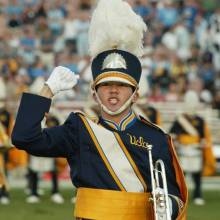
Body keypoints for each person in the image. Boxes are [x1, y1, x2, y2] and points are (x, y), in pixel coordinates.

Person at [12, 0, 188, 219]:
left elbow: (175, 197)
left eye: (122, 85)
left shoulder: (156, 137)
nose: (113, 91)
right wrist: (48, 90)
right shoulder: (79, 129)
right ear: (94, 94)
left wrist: (168, 206)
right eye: (105, 85)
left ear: (136, 94)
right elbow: (24, 138)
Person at [169, 90, 216, 206]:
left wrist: (203, 142)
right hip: (183, 151)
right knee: (181, 175)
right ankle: (180, 196)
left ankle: (198, 195)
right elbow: (171, 134)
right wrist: (177, 140)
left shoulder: (200, 120)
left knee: (197, 176)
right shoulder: (179, 120)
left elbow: (204, 137)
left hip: (196, 151)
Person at [26, 114, 65, 204]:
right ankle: (33, 193)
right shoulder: (34, 118)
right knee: (33, 171)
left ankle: (55, 192)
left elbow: (59, 132)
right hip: (36, 147)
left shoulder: (54, 119)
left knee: (53, 171)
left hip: (50, 147)